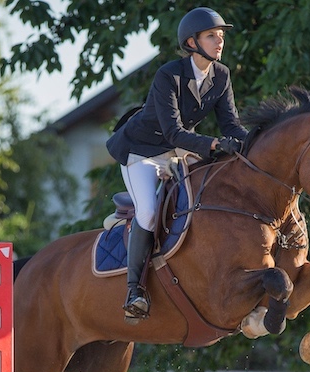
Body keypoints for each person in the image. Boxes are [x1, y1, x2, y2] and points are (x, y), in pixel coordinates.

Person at [106, 7, 249, 322]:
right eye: (212, 35)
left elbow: (231, 126)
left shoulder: (221, 75)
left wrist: (256, 142)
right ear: (192, 41)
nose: (219, 41)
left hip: (177, 152)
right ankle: (135, 291)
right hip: (141, 152)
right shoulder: (168, 74)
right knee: (148, 211)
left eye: (221, 35)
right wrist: (212, 145)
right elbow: (173, 131)